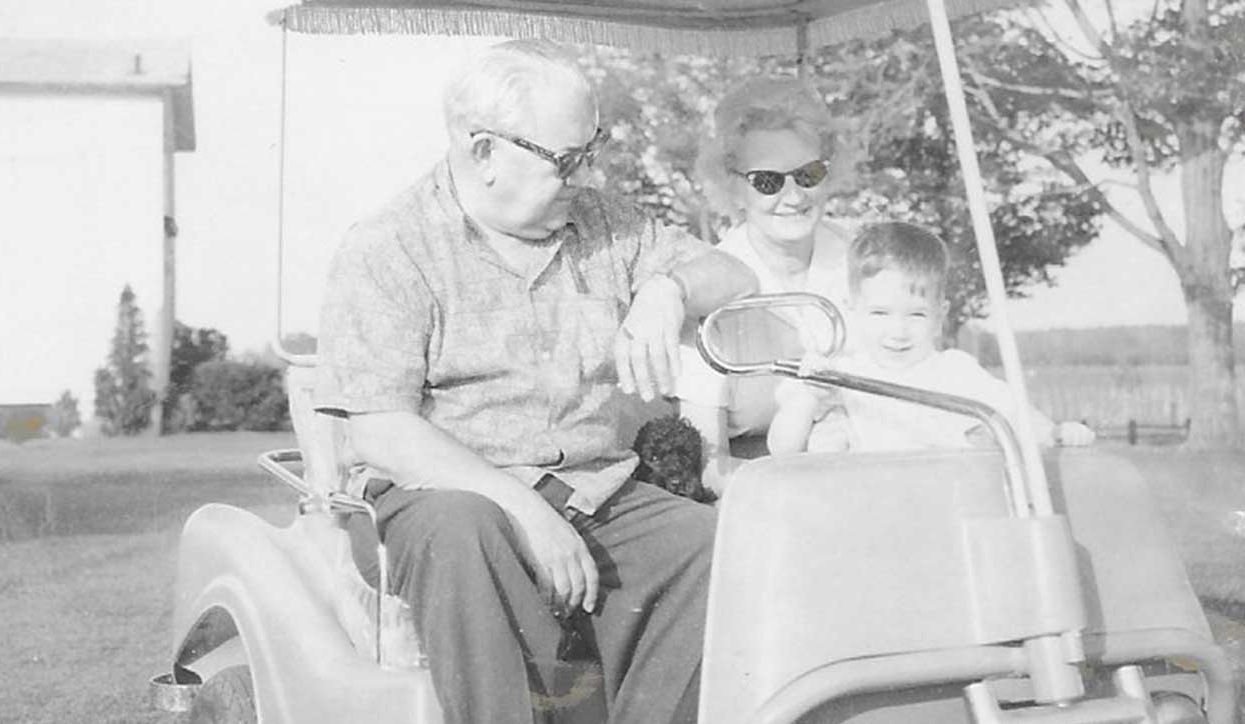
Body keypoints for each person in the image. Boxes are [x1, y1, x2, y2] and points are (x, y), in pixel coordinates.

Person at [314, 39, 758, 724]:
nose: (588, 173)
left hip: (598, 489)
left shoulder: (608, 224)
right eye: (567, 159)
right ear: (484, 151)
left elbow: (737, 276)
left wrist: (669, 286)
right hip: (448, 497)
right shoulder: (388, 247)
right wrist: (523, 509)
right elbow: (377, 426)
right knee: (468, 534)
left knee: (714, 549)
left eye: (594, 149)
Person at [767, 221, 1095, 454]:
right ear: (852, 310)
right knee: (828, 443)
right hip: (868, 512)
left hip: (942, 508)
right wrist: (809, 397)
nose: (898, 332)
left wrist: (1055, 432)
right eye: (880, 314)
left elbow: (1017, 416)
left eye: (917, 315)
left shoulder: (955, 371)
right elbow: (781, 448)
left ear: (940, 317)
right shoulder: (839, 374)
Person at [675, 76, 853, 494]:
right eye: (768, 182)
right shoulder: (711, 295)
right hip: (763, 487)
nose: (793, 197)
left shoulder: (863, 261)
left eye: (808, 175)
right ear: (733, 188)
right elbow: (709, 466)